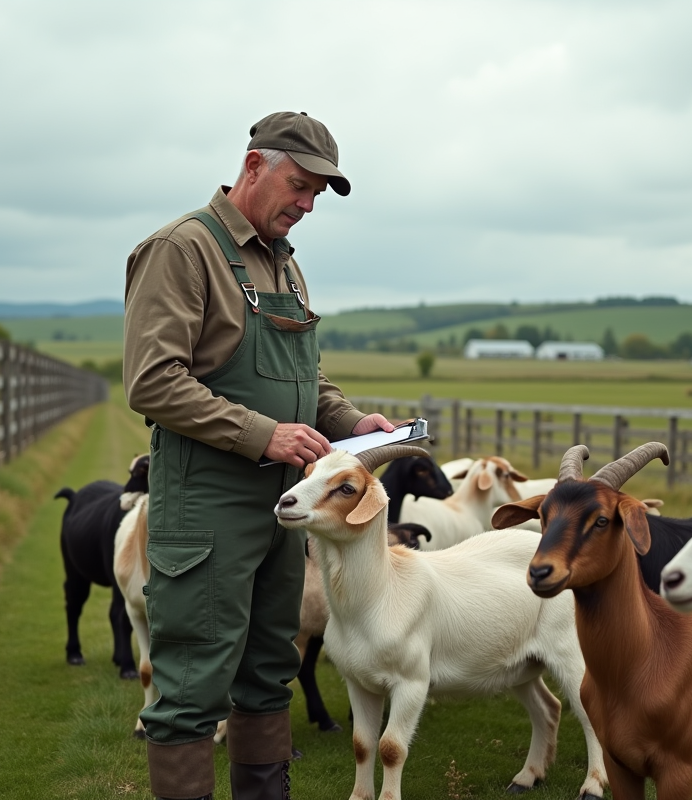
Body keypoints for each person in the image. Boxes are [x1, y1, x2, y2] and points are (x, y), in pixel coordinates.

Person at [123, 111, 392, 800]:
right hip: (208, 504)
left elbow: (305, 379)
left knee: (270, 671)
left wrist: (351, 420)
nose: (306, 207)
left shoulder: (284, 263)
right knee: (191, 683)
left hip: (284, 510)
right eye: (299, 187)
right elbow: (153, 381)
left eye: (316, 196)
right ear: (253, 167)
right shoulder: (183, 249)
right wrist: (262, 433)